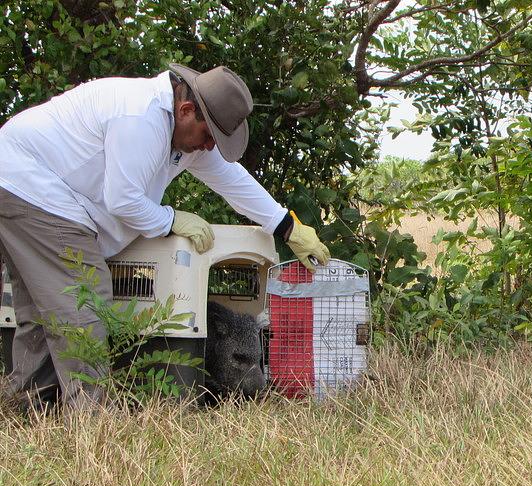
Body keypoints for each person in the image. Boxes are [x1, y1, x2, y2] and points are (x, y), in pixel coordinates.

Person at [0, 63, 330, 412]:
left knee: (43, 309)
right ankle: (91, 419)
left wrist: (285, 225)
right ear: (186, 110)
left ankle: (31, 409)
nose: (208, 147)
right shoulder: (140, 117)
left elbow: (231, 178)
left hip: (22, 180)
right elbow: (122, 199)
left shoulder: (185, 132)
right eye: (208, 137)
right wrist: (170, 218)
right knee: (84, 295)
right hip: (30, 185)